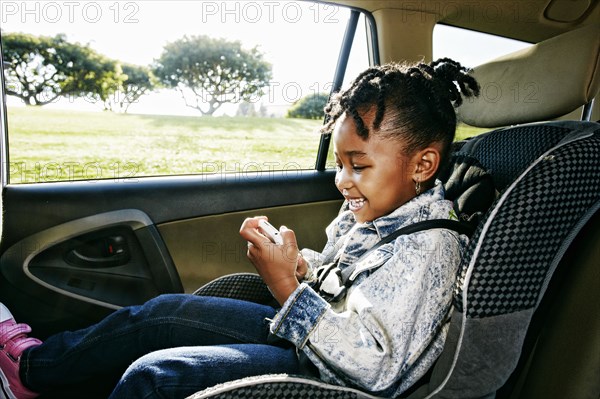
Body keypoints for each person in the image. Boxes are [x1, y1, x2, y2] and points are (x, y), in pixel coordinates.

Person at [0, 58, 479, 399]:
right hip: (312, 337)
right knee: (160, 314)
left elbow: (378, 369)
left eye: (358, 165)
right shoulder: (375, 211)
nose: (341, 180)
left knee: (157, 376)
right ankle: (34, 370)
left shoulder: (429, 247)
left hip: (333, 378)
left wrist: (287, 287)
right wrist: (299, 262)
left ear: (423, 164)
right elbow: (343, 282)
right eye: (338, 163)